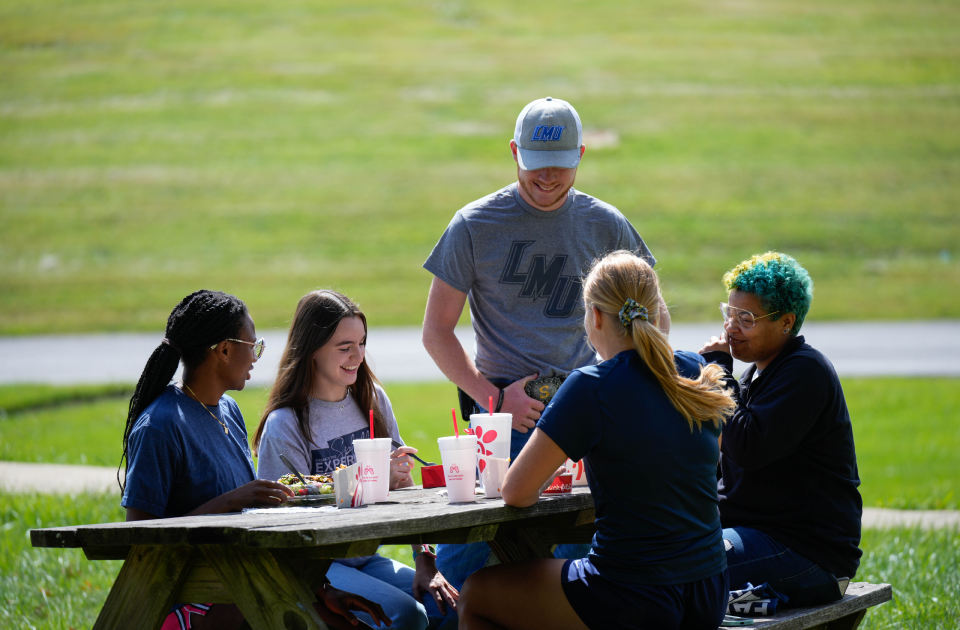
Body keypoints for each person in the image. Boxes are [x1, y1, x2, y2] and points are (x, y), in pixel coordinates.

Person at [421, 96, 668, 592]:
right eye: (536, 166)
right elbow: (436, 332)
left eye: (559, 165)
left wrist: (627, 385)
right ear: (514, 151)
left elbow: (654, 312)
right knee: (467, 554)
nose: (548, 178)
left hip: (591, 412)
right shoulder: (473, 224)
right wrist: (493, 398)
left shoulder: (607, 223)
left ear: (580, 155)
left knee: (583, 548)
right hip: (505, 415)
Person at [458, 251, 734, 630]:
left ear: (596, 317)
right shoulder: (693, 369)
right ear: (657, 312)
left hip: (634, 592)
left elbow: (516, 492)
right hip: (709, 590)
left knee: (476, 593)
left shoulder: (591, 385)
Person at [120, 289, 391, 630]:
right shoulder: (160, 426)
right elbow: (139, 540)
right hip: (194, 599)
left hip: (249, 581)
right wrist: (233, 500)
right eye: (253, 346)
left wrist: (319, 590)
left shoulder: (228, 411)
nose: (256, 357)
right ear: (224, 350)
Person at [254, 290, 458, 630]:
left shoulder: (372, 398)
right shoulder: (285, 423)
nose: (357, 356)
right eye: (344, 347)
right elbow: (286, 521)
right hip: (317, 566)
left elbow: (405, 485)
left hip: (367, 557)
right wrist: (374, 478)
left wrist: (426, 561)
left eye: (362, 343)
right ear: (312, 350)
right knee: (407, 616)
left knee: (452, 607)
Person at [698, 252, 863, 607]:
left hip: (806, 553)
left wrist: (718, 375)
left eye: (747, 318)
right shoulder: (755, 375)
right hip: (755, 535)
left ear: (786, 322)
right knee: (650, 548)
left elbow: (747, 447)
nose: (731, 327)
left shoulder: (805, 372)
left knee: (679, 566)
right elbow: (719, 461)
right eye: (729, 313)